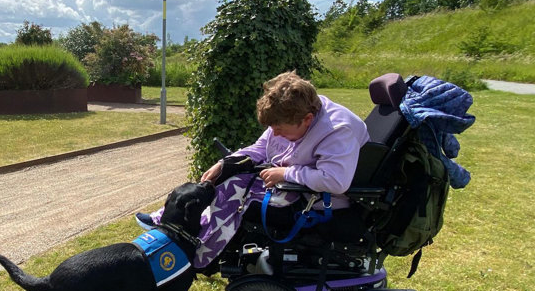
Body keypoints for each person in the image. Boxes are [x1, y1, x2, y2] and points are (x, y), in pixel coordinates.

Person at [137, 71, 370, 268]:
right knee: (226, 178)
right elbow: (261, 148)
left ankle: (199, 255)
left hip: (317, 200)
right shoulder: (290, 112)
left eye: (280, 129)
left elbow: (336, 181)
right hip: (291, 185)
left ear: (308, 119)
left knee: (234, 193)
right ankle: (168, 225)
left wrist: (285, 173)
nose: (275, 134)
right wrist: (224, 164)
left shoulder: (338, 130)